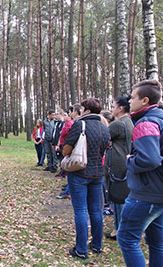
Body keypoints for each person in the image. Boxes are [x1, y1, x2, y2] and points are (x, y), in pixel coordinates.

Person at [117, 80, 163, 267]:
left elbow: (150, 159)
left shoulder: (146, 123)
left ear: (144, 100)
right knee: (157, 240)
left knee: (126, 238)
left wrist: (129, 160)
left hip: (147, 193)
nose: (129, 101)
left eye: (133, 97)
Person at [63, 98, 110, 260]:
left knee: (81, 210)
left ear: (87, 111)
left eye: (82, 109)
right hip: (98, 173)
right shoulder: (105, 128)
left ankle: (81, 249)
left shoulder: (80, 125)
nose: (80, 111)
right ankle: (97, 245)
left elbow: (66, 149)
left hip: (79, 173)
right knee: (96, 210)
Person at [104, 96, 134, 241]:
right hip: (124, 163)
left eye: (113, 105)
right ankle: (120, 228)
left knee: (117, 199)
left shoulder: (118, 124)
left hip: (117, 165)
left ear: (120, 108)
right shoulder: (128, 122)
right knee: (120, 198)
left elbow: (103, 137)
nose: (112, 108)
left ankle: (119, 229)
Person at [56, 104, 81, 199]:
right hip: (70, 149)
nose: (70, 114)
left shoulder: (75, 124)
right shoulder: (73, 123)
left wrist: (66, 150)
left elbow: (64, 134)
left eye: (71, 112)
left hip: (73, 151)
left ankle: (68, 191)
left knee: (71, 170)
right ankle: (68, 189)